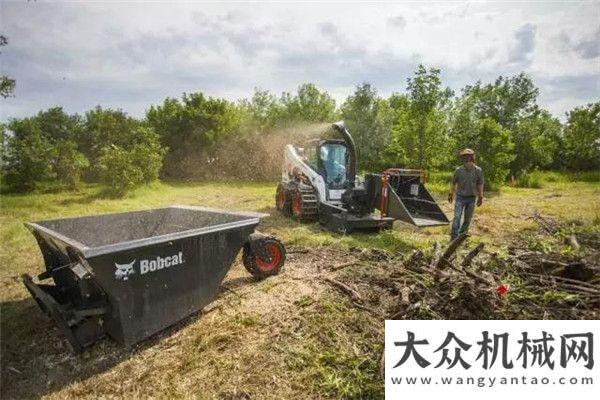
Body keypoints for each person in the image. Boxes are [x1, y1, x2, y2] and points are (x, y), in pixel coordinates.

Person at [448, 148, 484, 240]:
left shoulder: (478, 170)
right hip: (460, 198)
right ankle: (453, 236)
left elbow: (480, 183)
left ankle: (462, 236)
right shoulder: (458, 170)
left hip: (471, 198)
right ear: (463, 158)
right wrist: (451, 193)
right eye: (464, 157)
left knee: (467, 219)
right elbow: (453, 182)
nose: (466, 159)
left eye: (468, 157)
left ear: (472, 158)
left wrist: (480, 196)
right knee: (457, 217)